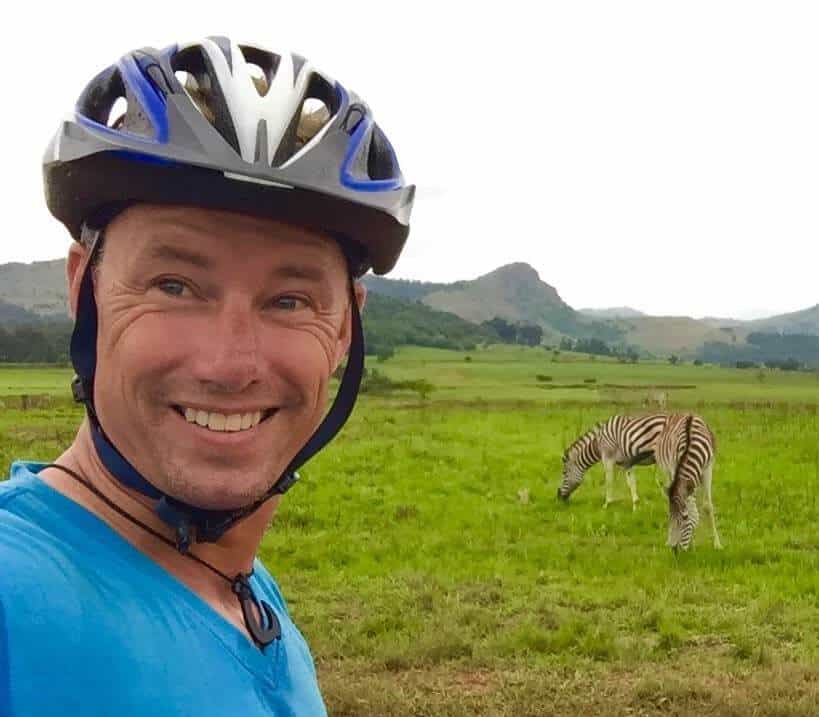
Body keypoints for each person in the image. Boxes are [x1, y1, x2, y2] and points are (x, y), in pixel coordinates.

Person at [0, 36, 414, 715]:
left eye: (289, 300)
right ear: (85, 292)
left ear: (343, 328)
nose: (229, 365)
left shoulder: (240, 589)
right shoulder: (13, 598)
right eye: (175, 284)